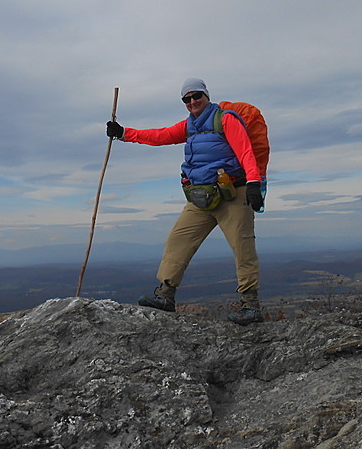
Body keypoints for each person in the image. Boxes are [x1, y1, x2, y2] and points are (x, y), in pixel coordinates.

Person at [106, 77, 265, 325]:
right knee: (177, 241)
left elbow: (245, 151)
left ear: (206, 95)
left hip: (233, 193)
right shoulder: (189, 126)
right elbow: (159, 136)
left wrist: (254, 182)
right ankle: (165, 296)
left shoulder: (226, 119)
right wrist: (124, 133)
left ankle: (250, 305)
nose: (192, 102)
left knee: (243, 247)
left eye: (196, 96)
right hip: (201, 197)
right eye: (187, 99)